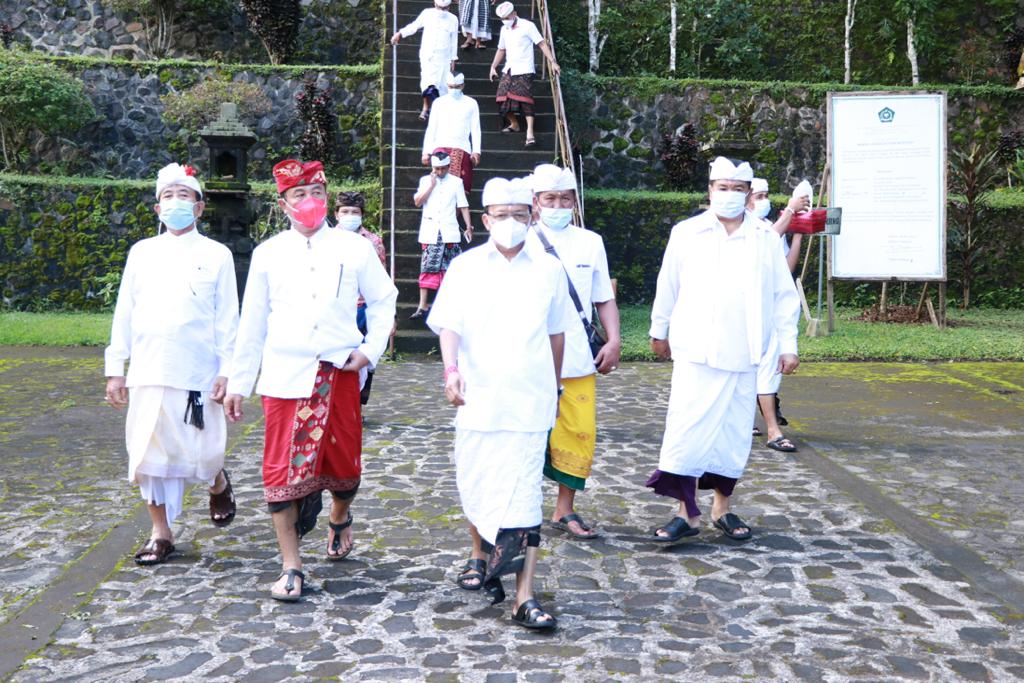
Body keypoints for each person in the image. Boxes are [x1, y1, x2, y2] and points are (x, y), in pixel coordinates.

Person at [224, 159, 397, 602]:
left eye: (317, 193)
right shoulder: (268, 254)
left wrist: (370, 350)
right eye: (299, 195)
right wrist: (239, 380)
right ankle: (291, 565)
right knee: (280, 473)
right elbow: (253, 322)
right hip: (285, 376)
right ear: (283, 204)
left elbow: (384, 299)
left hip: (338, 372)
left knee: (345, 469)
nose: (310, 202)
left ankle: (339, 516)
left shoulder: (353, 248)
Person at [427, 176, 573, 630]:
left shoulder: (549, 269)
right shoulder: (466, 267)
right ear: (485, 219)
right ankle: (485, 557)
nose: (511, 223)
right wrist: (451, 371)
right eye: (501, 216)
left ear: (530, 216)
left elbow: (556, 334)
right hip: (479, 397)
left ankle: (524, 595)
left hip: (529, 399)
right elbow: (448, 324)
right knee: (478, 482)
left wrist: (553, 387)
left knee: (526, 495)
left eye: (519, 215)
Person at [646, 157, 800, 543]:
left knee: (732, 435)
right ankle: (685, 514)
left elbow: (784, 295)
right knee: (687, 431)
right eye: (722, 187)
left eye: (737, 189)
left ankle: (722, 508)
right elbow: (669, 283)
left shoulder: (764, 237)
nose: (729, 195)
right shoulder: (687, 233)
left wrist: (788, 344)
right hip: (696, 351)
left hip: (745, 352)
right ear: (710, 190)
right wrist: (658, 329)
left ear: (748, 195)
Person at [105, 162, 238, 566]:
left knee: (204, 453)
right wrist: (116, 368)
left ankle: (217, 482)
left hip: (198, 370)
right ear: (156, 207)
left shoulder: (217, 254)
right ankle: (160, 533)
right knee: (146, 454)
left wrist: (227, 370)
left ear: (199, 208)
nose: (175, 202)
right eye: (168, 196)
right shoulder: (141, 253)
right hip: (148, 367)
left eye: (185, 196)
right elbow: (124, 311)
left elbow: (227, 317)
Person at [525, 164, 621, 540]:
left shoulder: (590, 241)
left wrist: (613, 340)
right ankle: (521, 507)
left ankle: (564, 509)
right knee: (528, 432)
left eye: (565, 198)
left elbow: (603, 297)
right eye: (550, 198)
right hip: (531, 360)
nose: (558, 205)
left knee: (579, 434)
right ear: (535, 203)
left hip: (579, 359)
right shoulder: (521, 241)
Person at [748, 177, 809, 452]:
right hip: (736, 317)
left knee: (768, 372)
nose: (763, 201)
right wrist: (790, 211)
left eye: (765, 195)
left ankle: (773, 429)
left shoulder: (768, 230)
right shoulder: (750, 231)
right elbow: (766, 239)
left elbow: (786, 269)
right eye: (758, 195)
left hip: (767, 315)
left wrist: (797, 232)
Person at [335, 191, 388, 406]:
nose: (350, 215)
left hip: (363, 306)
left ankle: (358, 401)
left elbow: (381, 278)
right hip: (338, 306)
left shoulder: (373, 241)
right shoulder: (326, 240)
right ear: (336, 214)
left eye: (354, 212)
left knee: (365, 356)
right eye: (345, 211)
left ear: (362, 214)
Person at [489, 2, 560, 147]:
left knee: (525, 99)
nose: (505, 20)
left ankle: (530, 133)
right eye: (503, 18)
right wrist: (493, 66)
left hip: (525, 68)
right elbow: (501, 49)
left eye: (507, 17)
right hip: (509, 68)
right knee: (501, 98)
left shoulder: (528, 26)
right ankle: (514, 124)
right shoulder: (504, 29)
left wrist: (552, 61)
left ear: (514, 14)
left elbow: (541, 43)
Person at [411, 151, 472, 319]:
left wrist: (468, 226)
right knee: (427, 267)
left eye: (443, 168)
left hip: (449, 231)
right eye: (437, 169)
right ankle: (422, 305)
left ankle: (446, 305)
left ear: (448, 167)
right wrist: (431, 185)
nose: (440, 172)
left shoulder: (456, 182)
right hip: (431, 231)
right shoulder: (425, 181)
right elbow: (417, 202)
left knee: (449, 269)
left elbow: (463, 205)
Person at [391, 0, 460, 122]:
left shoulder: (453, 19)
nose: (442, 11)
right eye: (440, 7)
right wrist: (400, 33)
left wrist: (453, 59)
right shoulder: (427, 14)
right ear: (435, 4)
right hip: (428, 55)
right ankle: (426, 107)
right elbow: (414, 26)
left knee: (442, 85)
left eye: (445, 8)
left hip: (444, 57)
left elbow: (454, 41)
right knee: (427, 83)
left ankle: (439, 111)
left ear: (449, 7)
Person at [422, 72, 482, 195]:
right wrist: (426, 152)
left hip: (462, 146)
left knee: (461, 188)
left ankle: (455, 214)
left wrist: (476, 151)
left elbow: (475, 129)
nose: (454, 90)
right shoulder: (439, 102)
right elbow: (431, 128)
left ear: (463, 86)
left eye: (457, 87)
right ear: (447, 86)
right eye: (451, 87)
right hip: (440, 146)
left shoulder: (471, 103)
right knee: (439, 185)